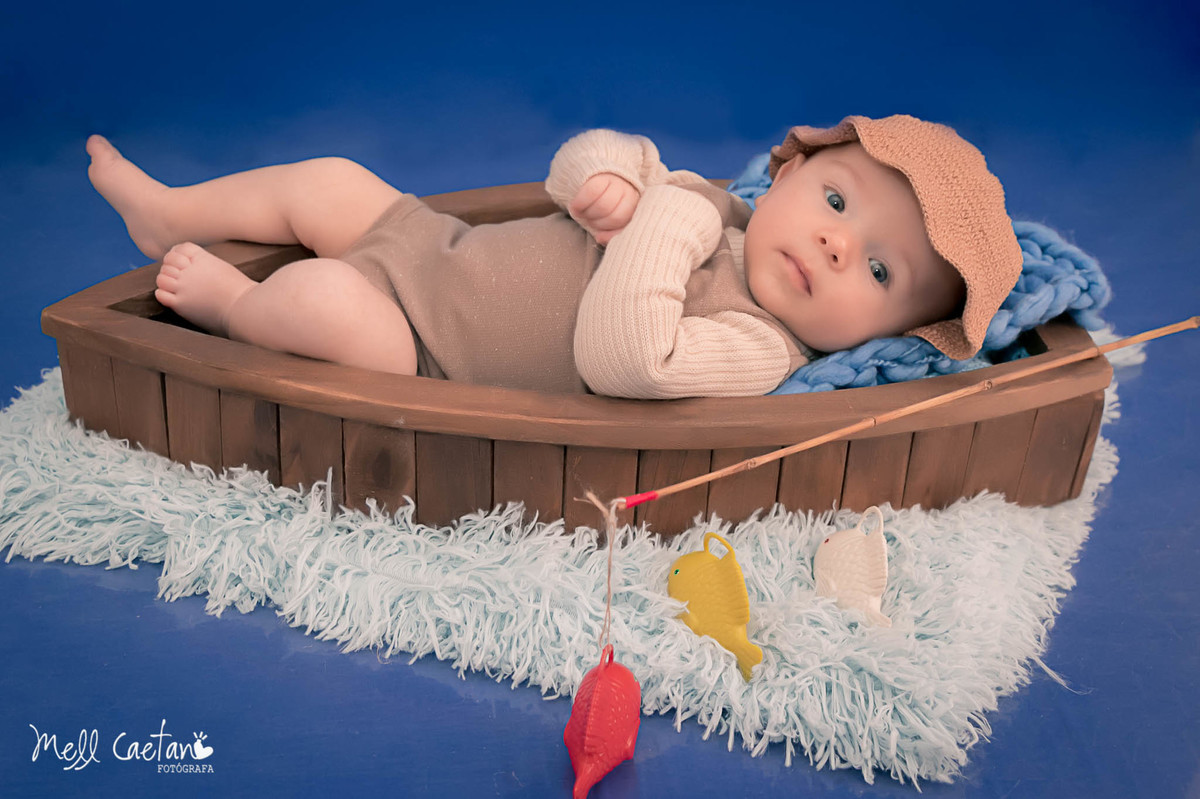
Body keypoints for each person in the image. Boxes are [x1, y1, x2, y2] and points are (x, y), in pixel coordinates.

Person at [85, 115, 1022, 398]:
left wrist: (664, 218)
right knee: (332, 180)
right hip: (436, 246)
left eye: (880, 272)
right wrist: (602, 180)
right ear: (788, 172)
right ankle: (170, 213)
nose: (835, 243)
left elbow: (622, 357)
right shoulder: (716, 204)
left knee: (321, 297)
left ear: (893, 333)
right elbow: (579, 160)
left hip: (419, 350)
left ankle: (232, 310)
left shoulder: (758, 346)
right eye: (835, 201)